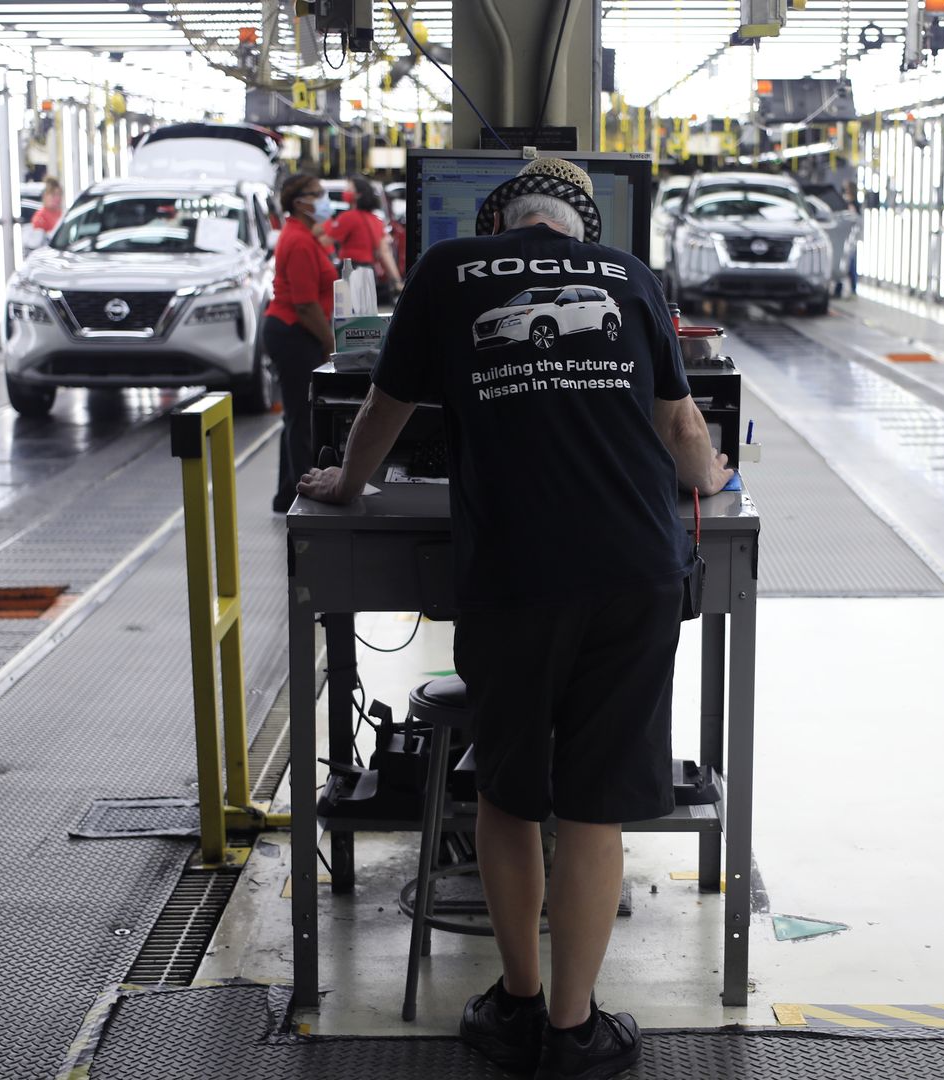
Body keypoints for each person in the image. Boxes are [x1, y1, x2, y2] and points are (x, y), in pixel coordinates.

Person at [297, 158, 732, 1080]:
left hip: (518, 573)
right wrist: (719, 480)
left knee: (507, 790)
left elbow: (385, 404)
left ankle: (517, 1005)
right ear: (579, 229)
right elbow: (684, 430)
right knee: (592, 806)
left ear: (496, 225)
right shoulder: (629, 278)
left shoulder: (450, 274)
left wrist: (346, 482)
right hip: (635, 570)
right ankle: (574, 1032)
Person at [265, 172, 339, 513]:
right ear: (300, 203)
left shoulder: (304, 235)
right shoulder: (297, 240)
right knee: (302, 419)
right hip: (295, 332)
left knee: (296, 417)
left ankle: (285, 493)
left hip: (297, 331)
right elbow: (305, 304)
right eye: (317, 193)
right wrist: (329, 344)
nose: (324, 199)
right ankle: (301, 495)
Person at [324, 175, 402, 301]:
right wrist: (397, 281)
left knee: (347, 313)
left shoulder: (347, 217)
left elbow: (325, 241)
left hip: (349, 272)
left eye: (349, 189)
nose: (345, 192)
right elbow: (385, 253)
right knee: (365, 312)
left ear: (358, 194)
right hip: (369, 273)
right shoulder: (376, 220)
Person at [25, 177, 63, 251]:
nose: (57, 198)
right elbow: (37, 245)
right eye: (53, 195)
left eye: (59, 194)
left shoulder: (63, 214)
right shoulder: (40, 217)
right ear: (45, 196)